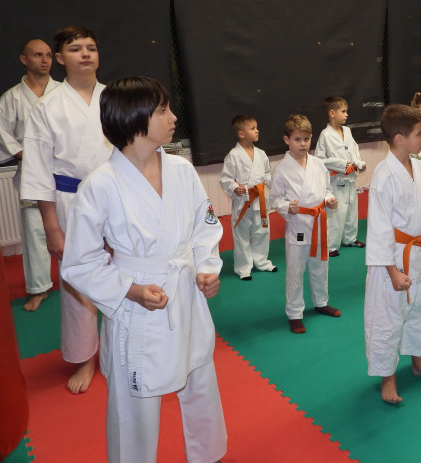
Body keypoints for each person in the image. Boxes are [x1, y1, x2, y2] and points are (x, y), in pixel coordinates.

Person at [61, 77, 227, 463]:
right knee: (134, 402)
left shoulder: (182, 170)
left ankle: (209, 454)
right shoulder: (100, 185)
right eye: (162, 111)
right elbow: (80, 263)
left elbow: (204, 227)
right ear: (134, 118)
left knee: (200, 378)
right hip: (136, 304)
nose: (173, 118)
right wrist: (131, 290)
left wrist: (206, 268)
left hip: (185, 292)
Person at [21, 26, 113, 394]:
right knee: (77, 282)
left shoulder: (115, 98)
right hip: (70, 201)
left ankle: (122, 347)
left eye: (91, 47)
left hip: (118, 198)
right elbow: (38, 170)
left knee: (128, 274)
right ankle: (85, 357)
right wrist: (51, 227)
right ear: (60, 58)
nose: (86, 54)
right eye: (76, 49)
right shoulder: (47, 106)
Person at [364, 104, 421, 404]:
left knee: (420, 310)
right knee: (389, 318)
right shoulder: (384, 175)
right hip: (394, 258)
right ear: (399, 139)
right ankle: (388, 377)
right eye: (419, 134)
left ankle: (419, 362)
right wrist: (392, 271)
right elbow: (378, 229)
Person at [0, 39, 60, 311]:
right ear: (24, 59)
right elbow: (2, 134)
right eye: (37, 55)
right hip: (32, 172)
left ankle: (80, 282)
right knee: (35, 231)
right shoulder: (12, 98)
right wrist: (30, 156)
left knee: (75, 228)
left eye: (48, 55)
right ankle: (39, 288)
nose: (44, 60)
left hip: (63, 170)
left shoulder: (64, 92)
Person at [270, 114, 340, 334]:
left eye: (307, 139)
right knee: (296, 271)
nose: (303, 144)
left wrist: (329, 199)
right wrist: (286, 207)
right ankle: (294, 313)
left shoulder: (318, 164)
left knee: (320, 266)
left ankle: (321, 302)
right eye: (297, 139)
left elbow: (326, 189)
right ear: (287, 140)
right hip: (298, 224)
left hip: (319, 222)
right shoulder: (281, 169)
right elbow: (275, 198)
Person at [219, 114, 276, 279]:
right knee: (241, 235)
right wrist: (234, 187)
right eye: (253, 128)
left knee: (262, 232)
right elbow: (225, 178)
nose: (257, 131)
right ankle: (243, 268)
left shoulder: (261, 153)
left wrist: (274, 184)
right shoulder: (233, 155)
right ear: (241, 134)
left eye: (257, 127)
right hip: (242, 200)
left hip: (260, 199)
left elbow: (267, 173)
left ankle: (262, 262)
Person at [315, 96, 366, 258]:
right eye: (343, 111)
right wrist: (342, 164)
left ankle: (350, 238)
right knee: (336, 213)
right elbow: (319, 160)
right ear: (332, 113)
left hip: (350, 179)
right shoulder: (325, 135)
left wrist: (359, 163)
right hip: (336, 182)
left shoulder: (347, 131)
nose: (346, 114)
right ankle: (331, 245)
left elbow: (355, 151)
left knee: (352, 210)